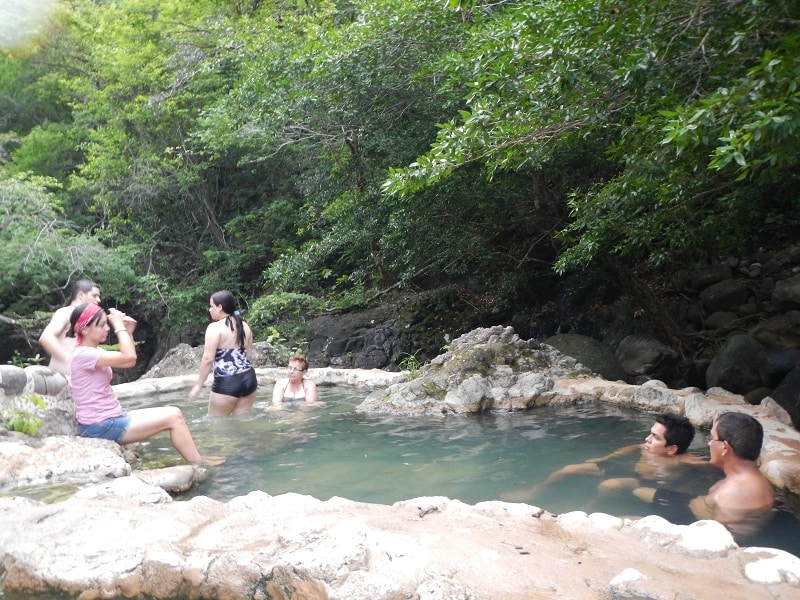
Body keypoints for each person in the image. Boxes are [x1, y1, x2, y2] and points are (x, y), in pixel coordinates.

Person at [68, 302, 223, 466]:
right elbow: (129, 357)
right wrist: (119, 327)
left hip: (110, 419)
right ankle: (198, 462)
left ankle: (197, 460)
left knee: (174, 414)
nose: (107, 328)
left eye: (107, 324)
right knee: (173, 416)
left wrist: (128, 332)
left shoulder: (95, 352)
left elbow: (127, 361)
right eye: (101, 325)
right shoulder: (83, 355)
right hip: (100, 426)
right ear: (84, 329)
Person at [501, 413, 700, 502]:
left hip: (648, 483)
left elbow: (708, 465)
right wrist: (605, 458)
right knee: (570, 468)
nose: (647, 439)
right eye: (650, 433)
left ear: (672, 449)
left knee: (610, 486)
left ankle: (592, 506)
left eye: (655, 437)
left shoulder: (684, 460)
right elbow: (631, 447)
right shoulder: (646, 447)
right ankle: (535, 491)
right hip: (630, 471)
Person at [685, 411, 775, 534]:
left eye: (711, 438)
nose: (709, 443)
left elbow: (715, 537)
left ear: (724, 447)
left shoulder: (737, 492)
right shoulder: (746, 478)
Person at [188, 290, 258, 416]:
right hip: (249, 378)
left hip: (227, 381)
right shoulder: (245, 326)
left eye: (211, 306)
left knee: (216, 426)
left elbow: (208, 359)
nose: (209, 309)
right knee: (243, 424)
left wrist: (199, 385)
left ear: (220, 307)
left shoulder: (214, 328)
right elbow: (249, 355)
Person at [38, 279, 102, 375]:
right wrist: (68, 360)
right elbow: (46, 337)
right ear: (81, 295)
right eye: (94, 296)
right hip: (62, 379)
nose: (98, 300)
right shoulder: (67, 312)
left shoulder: (87, 320)